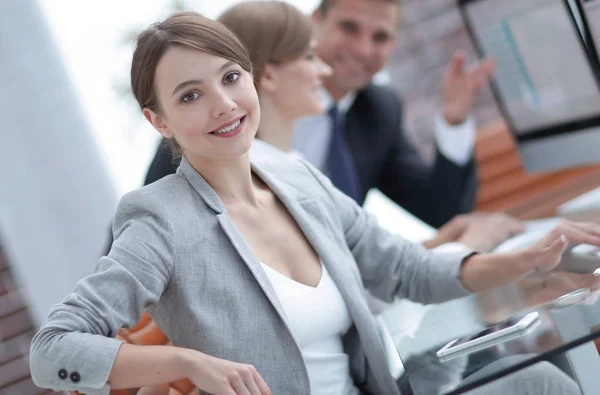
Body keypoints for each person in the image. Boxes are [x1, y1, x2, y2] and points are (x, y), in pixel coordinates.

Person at [30, 10, 593, 395]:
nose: (224, 105)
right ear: (159, 121)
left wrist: (522, 260)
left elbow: (402, 268)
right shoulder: (160, 220)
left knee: (538, 380)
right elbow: (52, 349)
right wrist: (187, 362)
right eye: (191, 95)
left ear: (252, 77)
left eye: (231, 77)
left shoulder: (293, 175)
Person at [292, 0, 496, 228]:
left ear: (393, 43)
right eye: (349, 28)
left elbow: (442, 211)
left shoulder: (378, 111)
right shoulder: (261, 90)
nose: (363, 50)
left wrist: (454, 120)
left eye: (380, 38)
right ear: (316, 21)